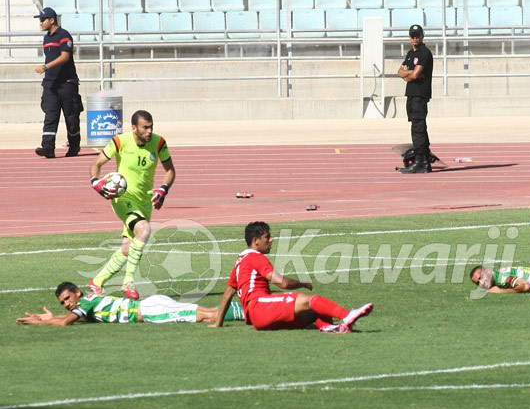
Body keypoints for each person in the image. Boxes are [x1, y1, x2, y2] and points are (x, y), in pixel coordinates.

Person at [210, 222, 373, 333]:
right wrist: (302, 283)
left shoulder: (240, 261)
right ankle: (347, 315)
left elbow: (227, 295)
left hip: (260, 317)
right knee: (310, 299)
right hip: (260, 307)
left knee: (316, 310)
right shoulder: (256, 258)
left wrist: (218, 324)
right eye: (267, 237)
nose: (271, 240)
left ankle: (330, 329)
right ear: (255, 241)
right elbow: (282, 283)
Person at [88, 110, 176, 300]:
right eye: (145, 127)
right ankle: (128, 281)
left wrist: (163, 189)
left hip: (145, 202)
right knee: (144, 230)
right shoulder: (120, 141)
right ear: (134, 127)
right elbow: (97, 164)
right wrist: (96, 182)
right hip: (123, 199)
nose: (149, 131)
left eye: (151, 126)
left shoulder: (159, 142)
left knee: (129, 247)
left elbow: (170, 170)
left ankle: (97, 282)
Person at [16, 281, 245, 326]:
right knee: (207, 311)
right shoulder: (86, 305)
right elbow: (71, 318)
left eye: (67, 299)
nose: (66, 304)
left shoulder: (86, 302)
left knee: (205, 316)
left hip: (153, 311)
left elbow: (67, 322)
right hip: (152, 305)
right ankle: (248, 311)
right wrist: (51, 317)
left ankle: (252, 313)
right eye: (62, 302)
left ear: (77, 293)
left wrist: (43, 322)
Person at [34, 7, 83, 159]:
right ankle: (48, 147)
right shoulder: (46, 38)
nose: (41, 23)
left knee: (71, 117)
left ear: (52, 20)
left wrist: (46, 67)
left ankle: (74, 146)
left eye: (43, 20)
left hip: (67, 83)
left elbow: (64, 57)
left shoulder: (64, 35)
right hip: (51, 83)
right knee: (50, 115)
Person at [396, 24, 434, 174]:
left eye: (417, 35)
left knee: (418, 129)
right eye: (412, 35)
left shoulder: (425, 53)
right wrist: (409, 74)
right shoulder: (410, 53)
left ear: (423, 36)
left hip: (420, 94)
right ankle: (425, 159)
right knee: (418, 126)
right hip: (411, 94)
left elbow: (415, 76)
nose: (415, 38)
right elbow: (399, 72)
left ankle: (420, 161)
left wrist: (409, 74)